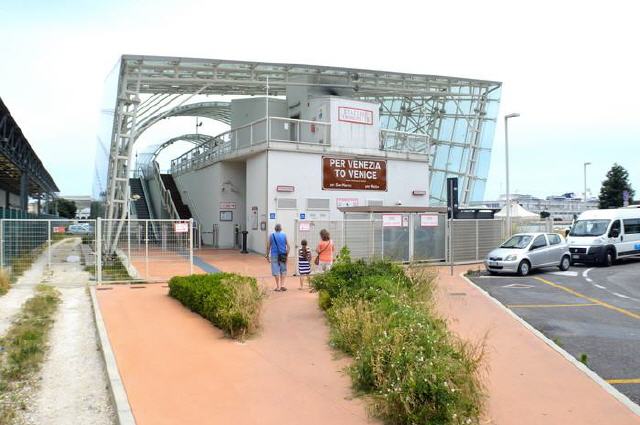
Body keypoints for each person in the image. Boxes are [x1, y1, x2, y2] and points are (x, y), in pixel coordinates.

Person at [266, 223, 290, 291]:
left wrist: (267, 255)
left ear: (275, 229)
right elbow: (288, 246)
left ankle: (278, 286)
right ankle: (282, 285)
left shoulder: (271, 235)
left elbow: (268, 246)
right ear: (281, 228)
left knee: (275, 270)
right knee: (283, 270)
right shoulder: (284, 235)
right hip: (283, 255)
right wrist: (287, 255)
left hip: (274, 255)